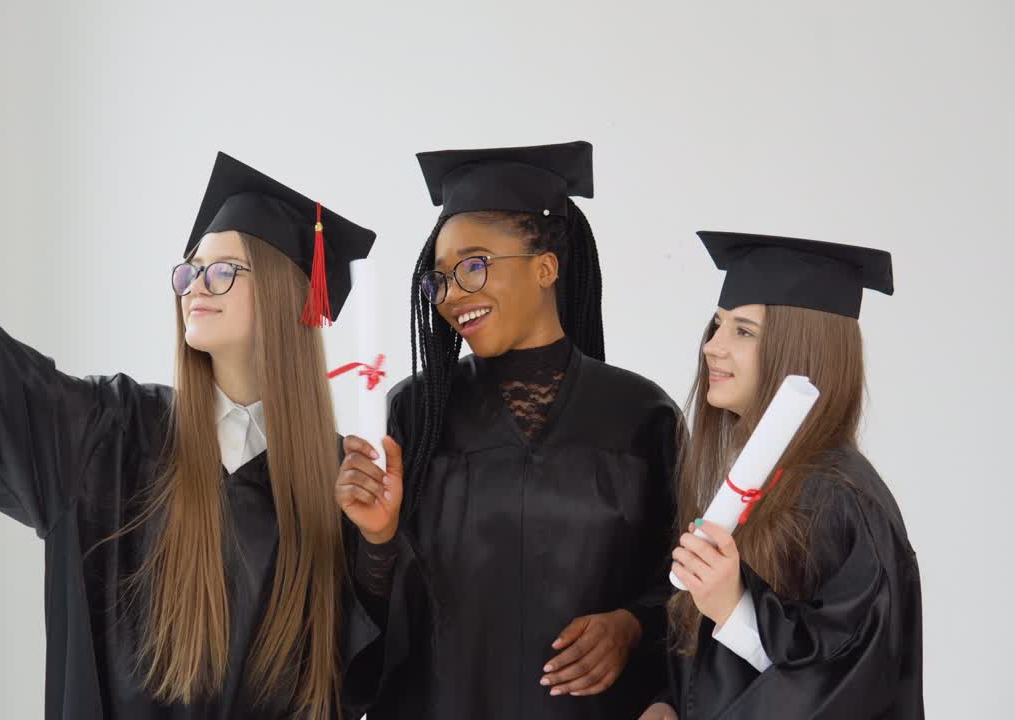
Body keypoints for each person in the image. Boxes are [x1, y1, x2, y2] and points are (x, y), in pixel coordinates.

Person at [0, 151, 381, 719]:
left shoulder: (339, 479)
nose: (195, 286)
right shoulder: (115, 432)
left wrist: (380, 540)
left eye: (222, 271)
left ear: (282, 294)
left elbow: (364, 653)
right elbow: (3, 378)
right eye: (189, 271)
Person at [338, 141, 682, 719]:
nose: (452, 297)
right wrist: (376, 539)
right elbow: (366, 620)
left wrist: (632, 625)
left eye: (473, 265)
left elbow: (689, 579)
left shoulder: (641, 415)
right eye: (439, 280)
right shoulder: (413, 415)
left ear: (546, 266)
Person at [642, 231, 923, 719]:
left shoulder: (837, 497)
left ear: (802, 351)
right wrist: (670, 704)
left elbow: (844, 685)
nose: (712, 347)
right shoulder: (759, 479)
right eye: (717, 325)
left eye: (743, 332)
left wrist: (732, 606)